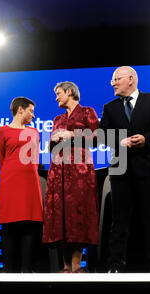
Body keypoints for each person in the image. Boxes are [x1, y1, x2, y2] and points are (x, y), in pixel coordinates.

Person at [100, 66, 150, 273]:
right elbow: (102, 135)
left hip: (147, 169)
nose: (112, 83)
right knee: (119, 221)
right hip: (120, 172)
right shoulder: (110, 107)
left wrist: (147, 139)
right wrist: (120, 140)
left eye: (116, 79)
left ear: (131, 79)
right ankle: (115, 265)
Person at [43, 81, 100, 273]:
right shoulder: (57, 118)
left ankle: (76, 265)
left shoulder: (87, 112)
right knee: (59, 216)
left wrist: (72, 134)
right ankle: (65, 266)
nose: (56, 97)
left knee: (78, 214)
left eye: (58, 93)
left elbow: (97, 137)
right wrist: (53, 140)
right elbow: (51, 149)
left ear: (69, 92)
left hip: (79, 171)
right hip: (58, 171)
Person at [0, 97, 43, 273]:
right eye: (31, 111)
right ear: (20, 109)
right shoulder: (2, 131)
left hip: (30, 184)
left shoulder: (35, 132)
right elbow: (1, 162)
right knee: (9, 227)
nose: (33, 116)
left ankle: (26, 272)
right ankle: (8, 273)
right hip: (9, 183)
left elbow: (35, 160)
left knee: (29, 226)